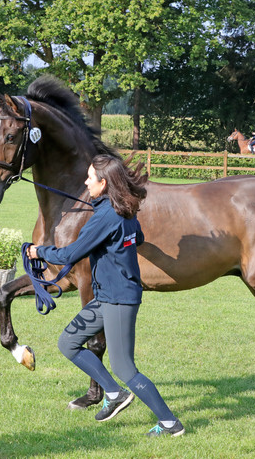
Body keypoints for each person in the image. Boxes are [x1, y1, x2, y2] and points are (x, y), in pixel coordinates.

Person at [27, 154, 184, 437]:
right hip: (105, 296)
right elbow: (138, 238)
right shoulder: (122, 209)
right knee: (68, 342)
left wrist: (38, 251)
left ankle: (170, 423)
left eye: (90, 178)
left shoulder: (105, 216)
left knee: (125, 369)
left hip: (119, 300)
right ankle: (113, 394)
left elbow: (69, 255)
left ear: (104, 182)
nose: (86, 182)